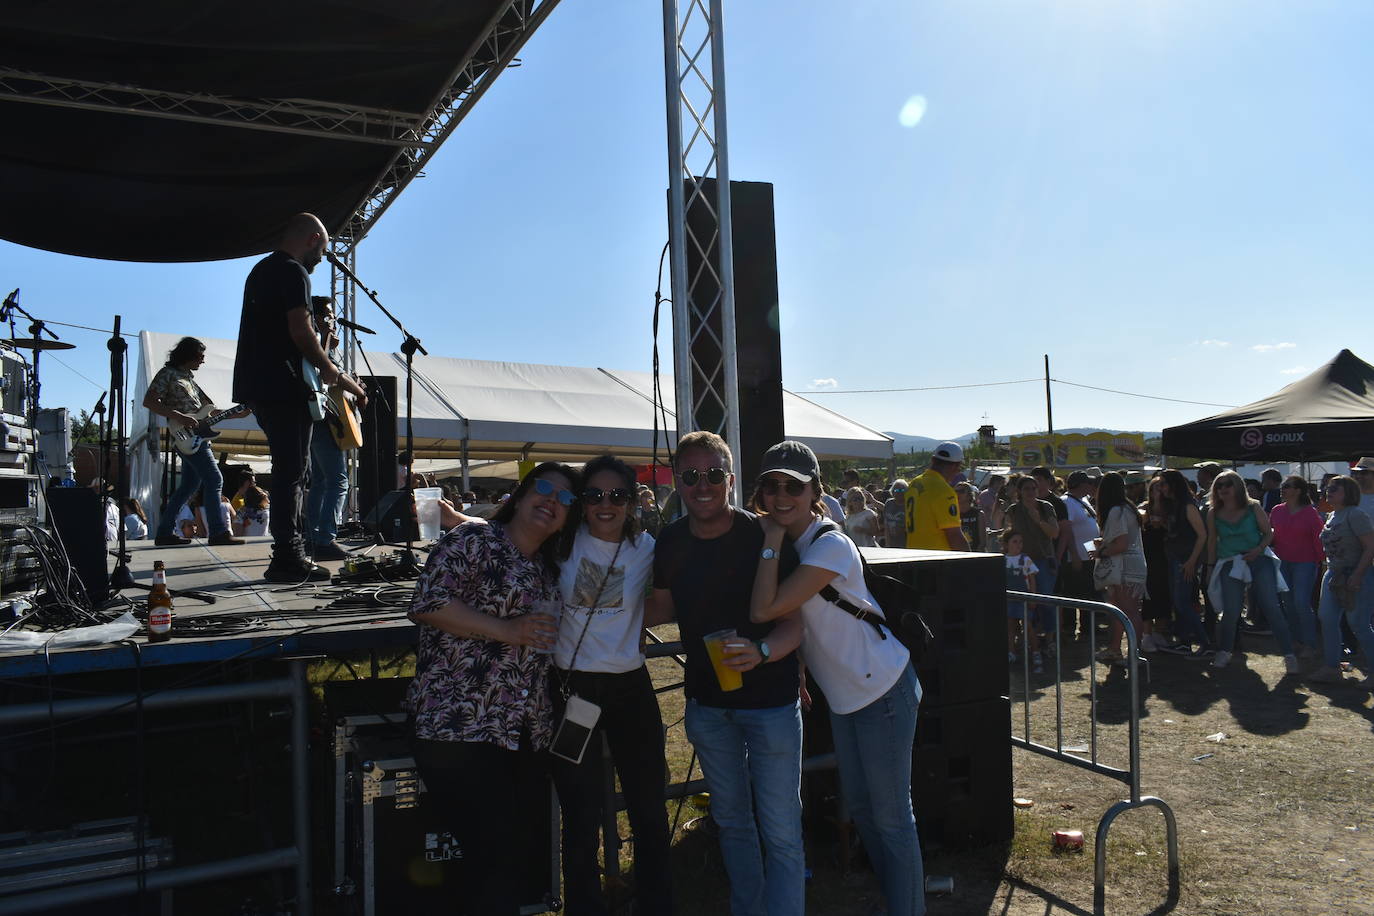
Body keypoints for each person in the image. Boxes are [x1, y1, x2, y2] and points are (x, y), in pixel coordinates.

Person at [747, 439, 925, 916]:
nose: (781, 496)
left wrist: (767, 539)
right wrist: (803, 663)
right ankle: (897, 900)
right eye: (772, 486)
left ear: (815, 492)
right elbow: (802, 621)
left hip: (883, 690)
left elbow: (768, 607)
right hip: (847, 697)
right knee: (866, 813)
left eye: (794, 487)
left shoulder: (830, 544)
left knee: (891, 818)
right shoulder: (790, 544)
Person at [404, 462, 581, 915]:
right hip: (460, 726)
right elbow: (429, 602)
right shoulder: (474, 540)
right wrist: (509, 631)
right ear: (519, 497)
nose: (551, 501)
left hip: (521, 734)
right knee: (494, 857)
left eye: (564, 499)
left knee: (504, 859)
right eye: (544, 489)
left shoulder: (547, 570)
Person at [649, 431, 805, 916]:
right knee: (733, 822)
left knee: (780, 828)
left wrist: (761, 650)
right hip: (709, 706)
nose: (702, 485)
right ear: (678, 482)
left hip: (772, 705)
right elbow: (660, 606)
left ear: (730, 481)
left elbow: (796, 622)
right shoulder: (669, 542)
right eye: (691, 476)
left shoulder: (765, 535)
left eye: (713, 475)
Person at [549, 456, 671, 916]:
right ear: (582, 502)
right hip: (572, 688)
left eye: (616, 495)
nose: (606, 505)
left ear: (633, 501)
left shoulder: (647, 548)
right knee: (580, 815)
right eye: (595, 495)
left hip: (630, 689)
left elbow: (667, 597)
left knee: (648, 808)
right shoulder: (561, 542)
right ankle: (584, 905)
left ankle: (657, 903)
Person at [232, 212, 366, 582]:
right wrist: (338, 376)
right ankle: (287, 558)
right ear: (312, 239)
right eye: (322, 249)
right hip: (284, 385)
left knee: (292, 470)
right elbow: (301, 331)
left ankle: (293, 550)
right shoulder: (293, 272)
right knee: (293, 472)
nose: (322, 259)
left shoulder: (260, 271)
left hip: (260, 385)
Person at [143, 336, 248, 547]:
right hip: (186, 436)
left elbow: (208, 411)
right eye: (200, 356)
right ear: (188, 355)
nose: (203, 360)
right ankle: (218, 532)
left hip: (196, 438)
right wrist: (179, 417)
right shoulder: (168, 374)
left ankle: (164, 533)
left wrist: (237, 414)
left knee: (188, 486)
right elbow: (149, 401)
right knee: (215, 479)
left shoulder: (189, 379)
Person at [1204, 470, 1299, 672]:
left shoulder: (1253, 506)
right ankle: (1224, 651)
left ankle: (1289, 655)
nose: (1222, 489)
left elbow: (1268, 534)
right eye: (1218, 485)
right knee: (1231, 611)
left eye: (1227, 484)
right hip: (1229, 561)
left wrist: (1257, 550)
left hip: (1258, 559)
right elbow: (1211, 542)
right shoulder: (1213, 512)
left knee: (1271, 607)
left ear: (1237, 486)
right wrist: (1210, 569)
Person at [304, 295, 363, 560]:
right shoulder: (313, 337)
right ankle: (325, 539)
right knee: (338, 480)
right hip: (322, 417)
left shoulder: (319, 341)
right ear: (315, 316)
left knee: (320, 481)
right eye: (327, 314)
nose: (332, 318)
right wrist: (358, 390)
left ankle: (312, 537)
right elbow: (328, 374)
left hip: (314, 416)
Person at [1307, 475, 1374, 685]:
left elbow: (1370, 547)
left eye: (1335, 488)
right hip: (1334, 574)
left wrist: (1357, 574)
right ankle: (1331, 667)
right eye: (1328, 487)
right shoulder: (1333, 515)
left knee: (1359, 624)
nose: (1329, 490)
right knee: (1326, 618)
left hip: (1356, 573)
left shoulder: (1355, 514)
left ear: (1349, 492)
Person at [1155, 469, 1215, 658]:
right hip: (1175, 557)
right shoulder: (1174, 505)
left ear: (1173, 485)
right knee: (1178, 601)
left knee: (1182, 602)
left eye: (1163, 484)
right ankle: (1184, 641)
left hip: (1185, 559)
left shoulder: (1188, 506)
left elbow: (1202, 535)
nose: (1160, 488)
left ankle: (1205, 642)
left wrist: (1191, 562)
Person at [1091, 472, 1148, 664]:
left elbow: (1122, 545)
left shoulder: (1117, 510)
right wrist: (1105, 544)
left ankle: (1134, 654)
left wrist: (1101, 552)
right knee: (1117, 608)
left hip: (1125, 567)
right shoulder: (1127, 508)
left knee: (1129, 610)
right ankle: (1115, 649)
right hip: (1130, 565)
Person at [1269, 474, 1324, 657]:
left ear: (1298, 490)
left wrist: (1320, 561)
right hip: (1283, 562)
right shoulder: (1277, 510)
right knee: (1288, 604)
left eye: (1288, 486)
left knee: (1301, 603)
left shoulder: (1310, 512)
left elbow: (1319, 539)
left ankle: (1310, 644)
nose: (1283, 489)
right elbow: (1271, 536)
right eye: (1283, 486)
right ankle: (1296, 640)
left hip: (1306, 563)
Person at [904, 442, 968, 551]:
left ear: (933, 460)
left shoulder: (914, 483)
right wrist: (971, 562)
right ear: (955, 466)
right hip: (936, 558)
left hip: (913, 554)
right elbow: (954, 535)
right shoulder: (944, 490)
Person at [1138, 476, 1173, 652]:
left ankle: (1159, 631)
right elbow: (1138, 522)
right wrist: (1147, 519)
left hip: (1166, 557)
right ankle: (1146, 635)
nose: (1160, 491)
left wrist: (1165, 524)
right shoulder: (1145, 508)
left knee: (1164, 594)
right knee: (1149, 595)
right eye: (1156, 488)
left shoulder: (1171, 508)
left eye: (1162, 487)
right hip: (1148, 557)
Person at [1003, 531, 1040, 670]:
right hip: (1009, 599)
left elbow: (1032, 580)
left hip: (1024, 598)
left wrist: (1033, 598)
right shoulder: (1003, 560)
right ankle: (1011, 652)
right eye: (1014, 541)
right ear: (1006, 544)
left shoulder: (1025, 559)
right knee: (1010, 626)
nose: (1018, 545)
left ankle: (1036, 652)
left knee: (1028, 626)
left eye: (1020, 542)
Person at [954, 481, 987, 552]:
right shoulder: (952, 514)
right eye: (955, 491)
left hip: (975, 554)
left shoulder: (979, 514)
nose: (957, 494)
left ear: (969, 495)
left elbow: (983, 542)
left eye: (961, 491)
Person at [883, 478, 907, 547]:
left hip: (905, 543)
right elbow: (886, 524)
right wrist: (887, 544)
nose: (899, 492)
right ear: (892, 491)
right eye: (896, 490)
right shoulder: (889, 503)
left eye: (902, 490)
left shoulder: (908, 504)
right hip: (890, 542)